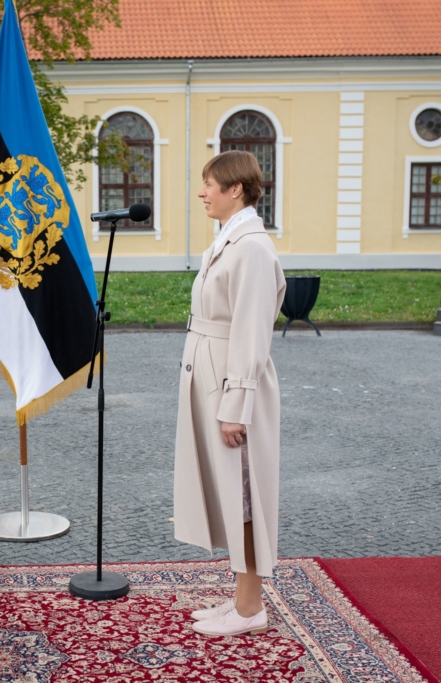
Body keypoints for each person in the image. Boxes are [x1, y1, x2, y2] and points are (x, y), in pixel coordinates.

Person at [173, 150, 286, 637]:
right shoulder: (228, 241)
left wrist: (235, 407)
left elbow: (251, 333)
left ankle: (249, 609)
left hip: (231, 384)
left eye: (209, 184)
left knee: (245, 494)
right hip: (210, 375)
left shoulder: (252, 249)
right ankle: (243, 599)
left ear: (235, 188)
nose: (202, 193)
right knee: (229, 492)